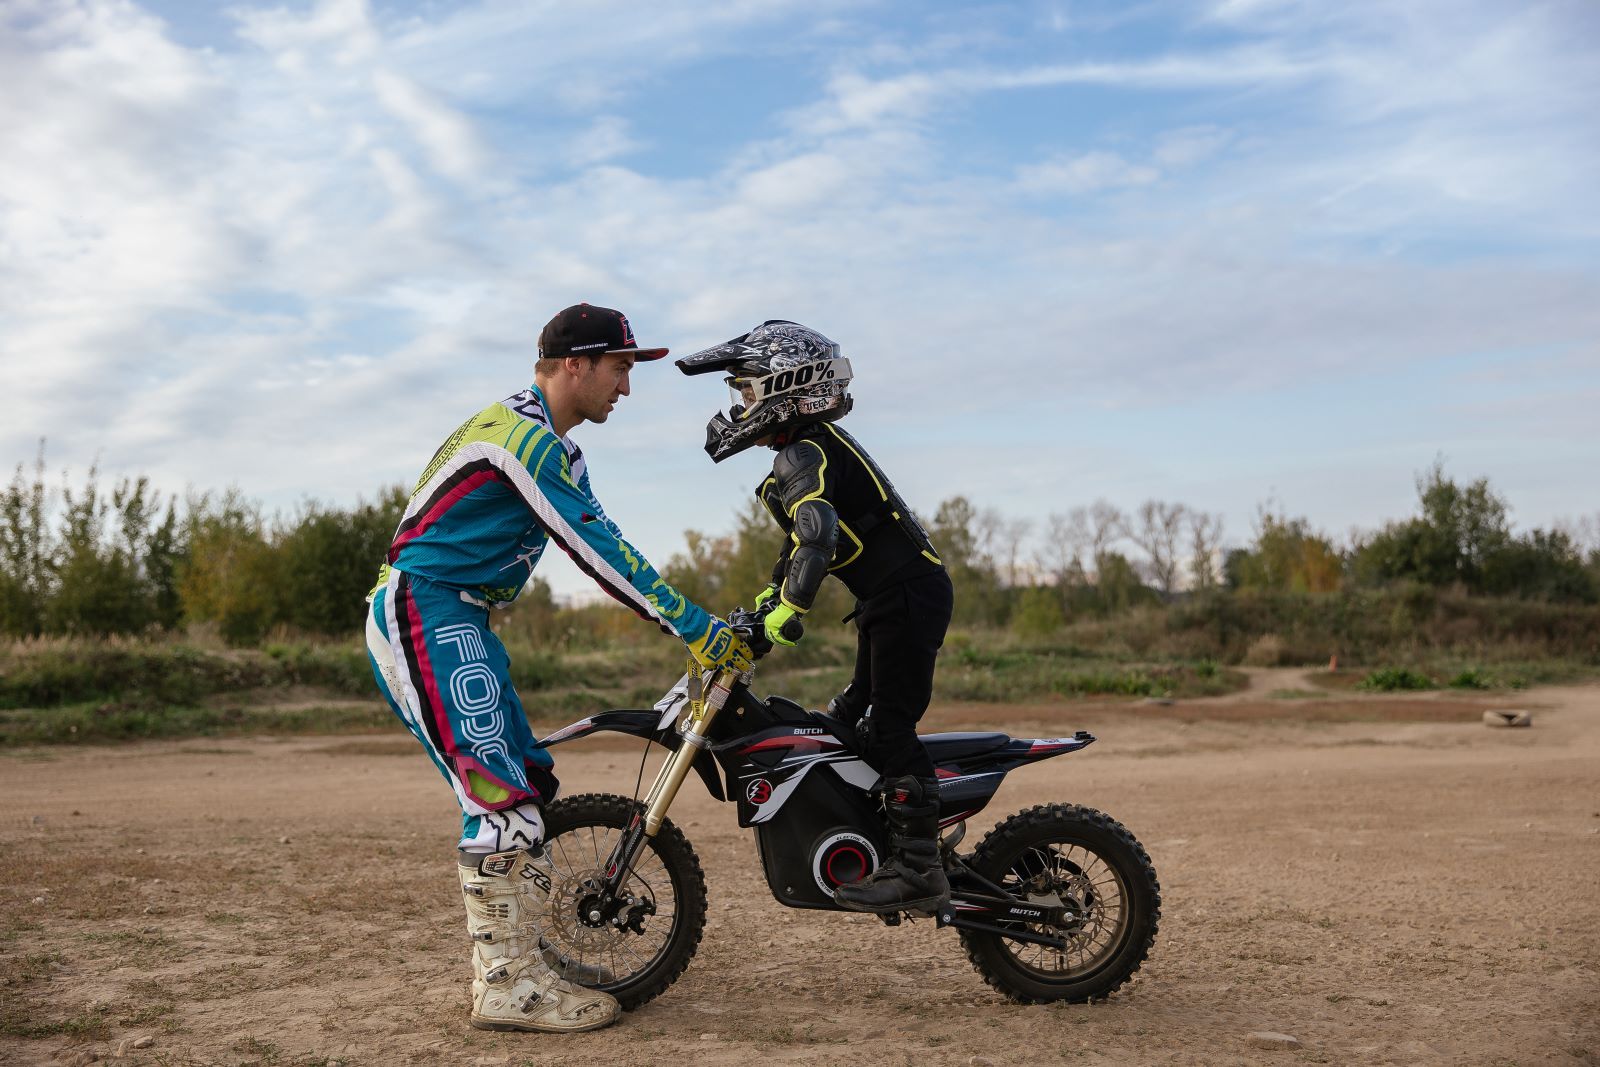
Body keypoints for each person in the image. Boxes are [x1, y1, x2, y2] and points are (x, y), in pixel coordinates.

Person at [364, 303, 753, 1034]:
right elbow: (599, 554)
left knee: (532, 785)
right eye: (621, 368)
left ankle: (526, 965)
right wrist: (694, 626)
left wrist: (688, 617)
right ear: (575, 363)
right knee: (500, 796)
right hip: (426, 606)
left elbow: (605, 534)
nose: (627, 388)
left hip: (457, 612)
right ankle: (506, 986)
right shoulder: (527, 441)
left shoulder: (550, 445)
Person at [676, 320, 953, 916]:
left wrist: (790, 611)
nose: (740, 406)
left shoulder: (807, 449)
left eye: (747, 392)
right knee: (847, 717)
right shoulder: (813, 450)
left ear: (786, 386)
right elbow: (799, 548)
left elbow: (818, 537)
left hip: (908, 596)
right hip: (892, 598)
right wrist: (766, 608)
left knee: (890, 729)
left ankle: (920, 868)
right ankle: (876, 830)